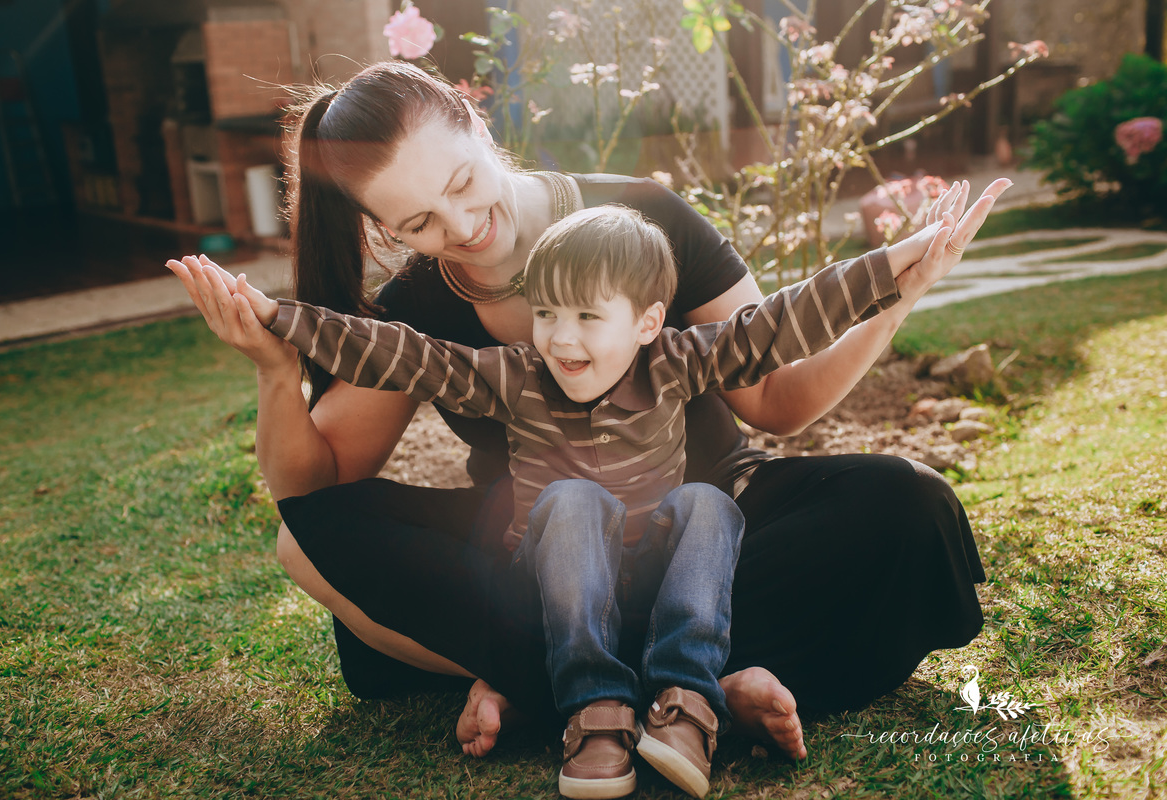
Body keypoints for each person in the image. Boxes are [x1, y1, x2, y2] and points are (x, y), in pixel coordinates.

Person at [166, 59, 1007, 768]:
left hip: (712, 530)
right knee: (305, 537)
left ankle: (563, 689)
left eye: (462, 183)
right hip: (539, 554)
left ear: (475, 119)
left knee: (907, 503)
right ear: (383, 227)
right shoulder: (418, 307)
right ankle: (690, 689)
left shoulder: (647, 219)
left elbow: (778, 400)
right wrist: (277, 372)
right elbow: (318, 487)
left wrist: (890, 305)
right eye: (419, 222)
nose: (463, 226)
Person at [203, 202, 915, 797]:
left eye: (586, 315)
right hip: (553, 585)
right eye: (546, 313)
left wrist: (899, 266)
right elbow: (397, 351)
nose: (561, 337)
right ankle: (595, 708)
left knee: (709, 503)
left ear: (645, 321)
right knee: (571, 499)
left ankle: (687, 701)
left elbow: (780, 324)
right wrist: (277, 319)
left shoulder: (678, 360)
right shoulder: (515, 376)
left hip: (660, 577)